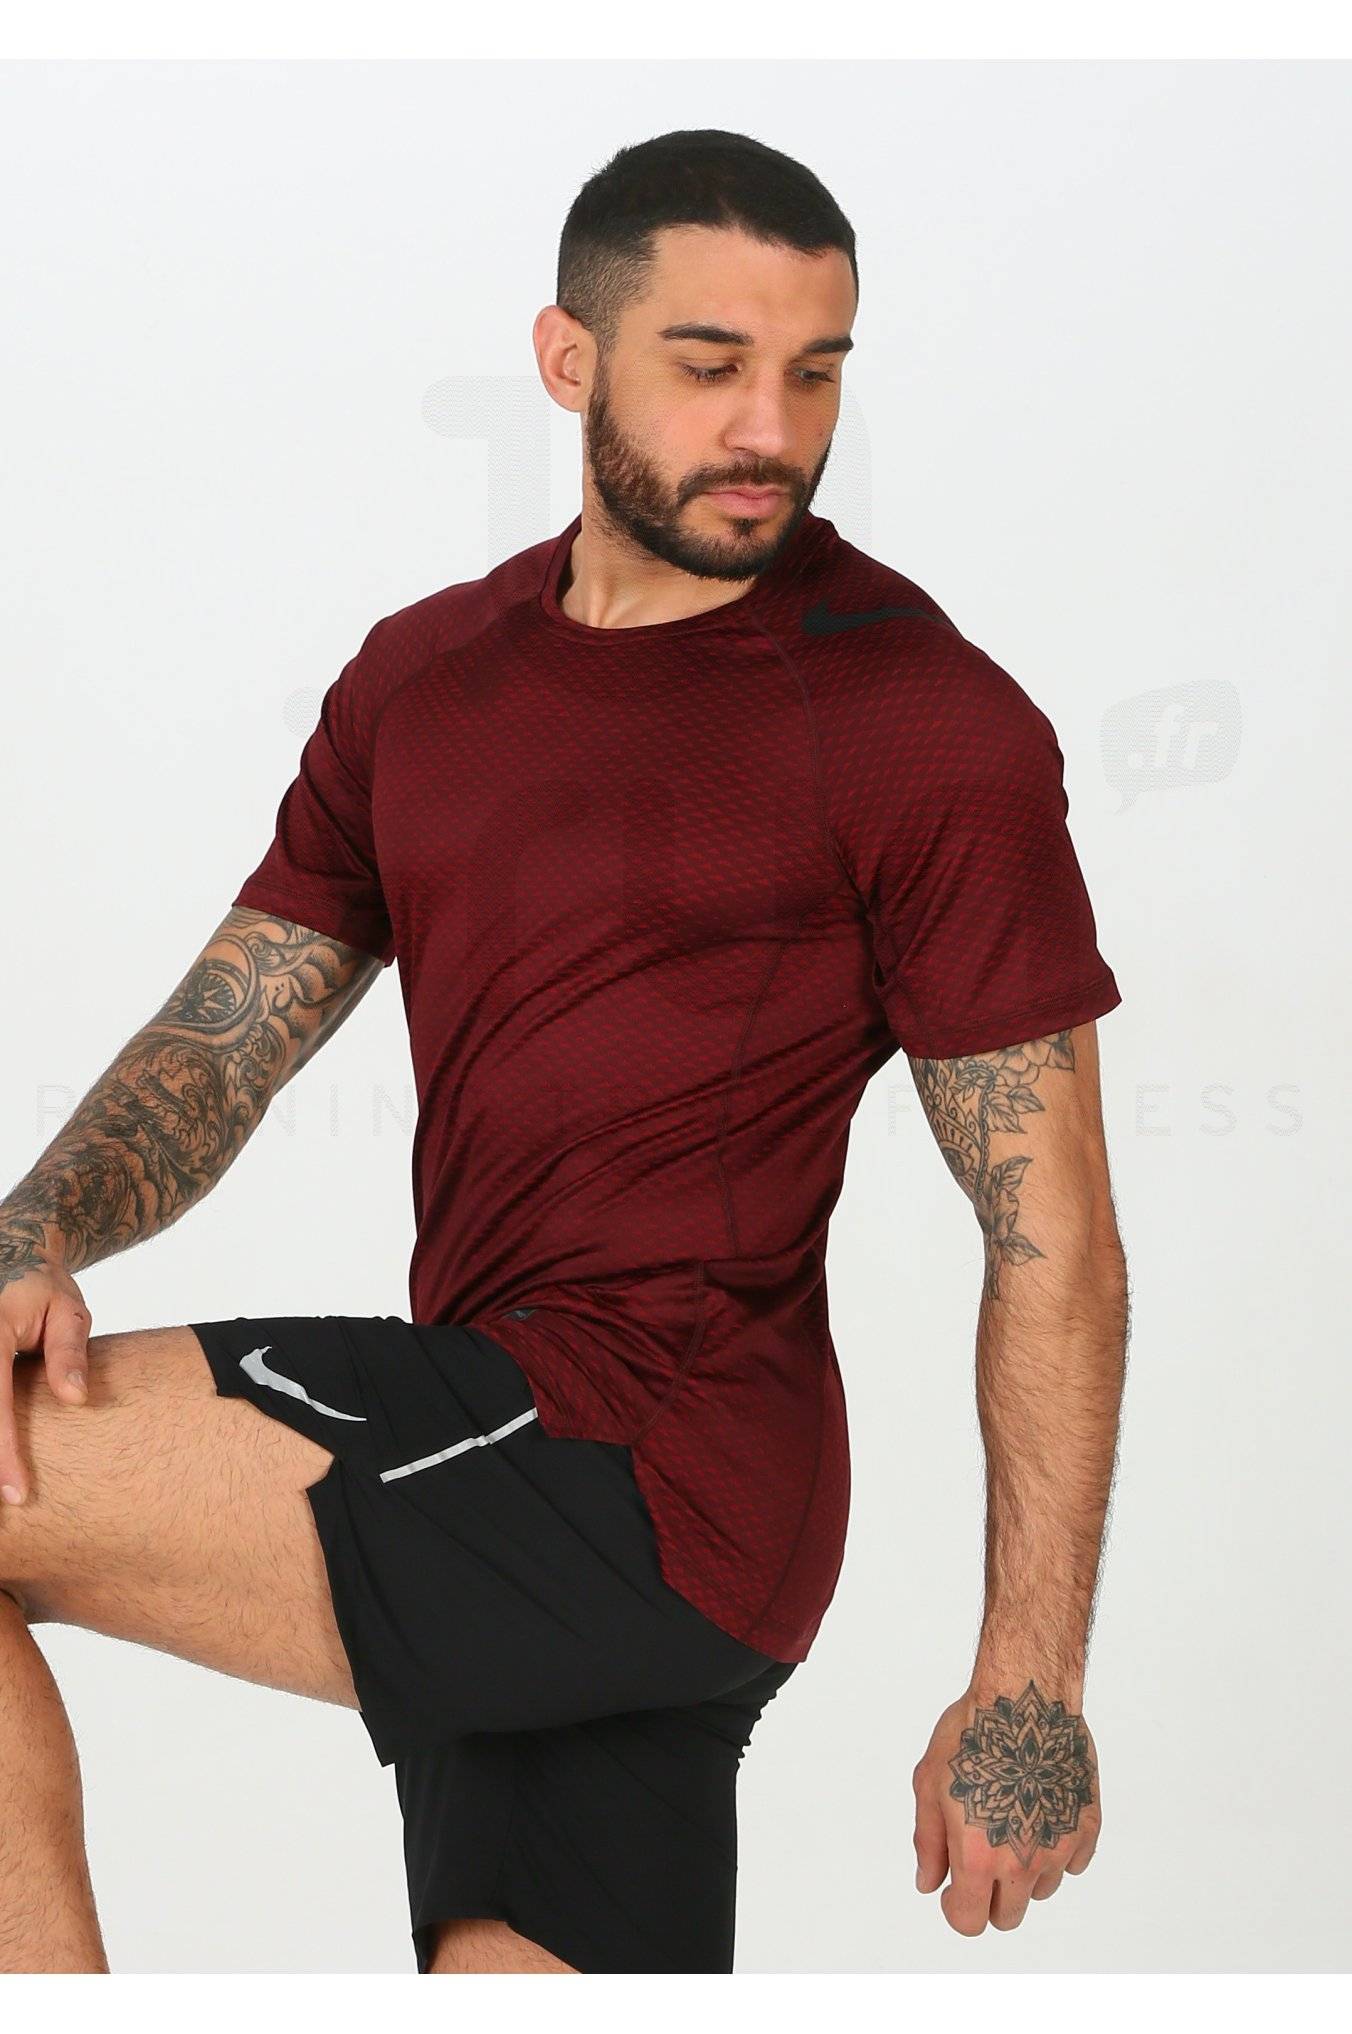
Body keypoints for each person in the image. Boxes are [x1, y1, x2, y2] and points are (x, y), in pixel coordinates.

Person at [0, 128, 1127, 1974]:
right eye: (712, 364)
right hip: (506, 1444)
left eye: (816, 371)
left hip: (651, 1464)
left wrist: (1031, 1677)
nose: (769, 427)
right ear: (568, 356)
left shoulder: (919, 717)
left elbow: (1052, 1228)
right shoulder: (424, 683)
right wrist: (31, 1228)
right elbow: (228, 1037)